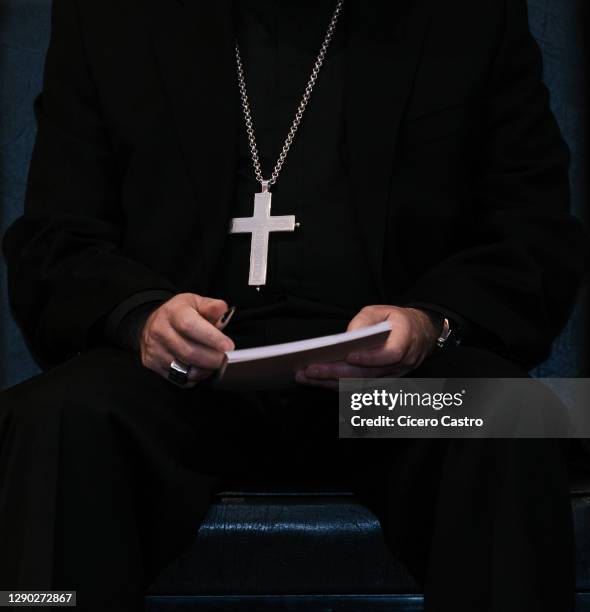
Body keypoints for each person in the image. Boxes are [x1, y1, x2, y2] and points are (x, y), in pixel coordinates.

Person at [0, 1, 586, 610]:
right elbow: (53, 239)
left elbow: (535, 234)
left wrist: (427, 323)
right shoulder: (109, 18)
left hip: (380, 395)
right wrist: (142, 317)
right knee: (54, 422)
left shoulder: (467, 16)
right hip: (183, 388)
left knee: (510, 415)